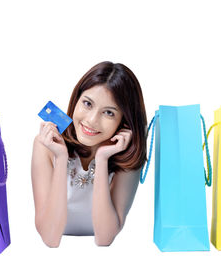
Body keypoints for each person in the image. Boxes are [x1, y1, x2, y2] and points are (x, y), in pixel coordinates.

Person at [31, 61, 147, 247]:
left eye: (108, 113)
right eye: (87, 103)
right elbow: (50, 237)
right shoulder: (46, 145)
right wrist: (61, 159)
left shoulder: (128, 153)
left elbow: (105, 238)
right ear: (76, 99)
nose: (91, 121)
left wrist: (102, 159)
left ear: (124, 122)